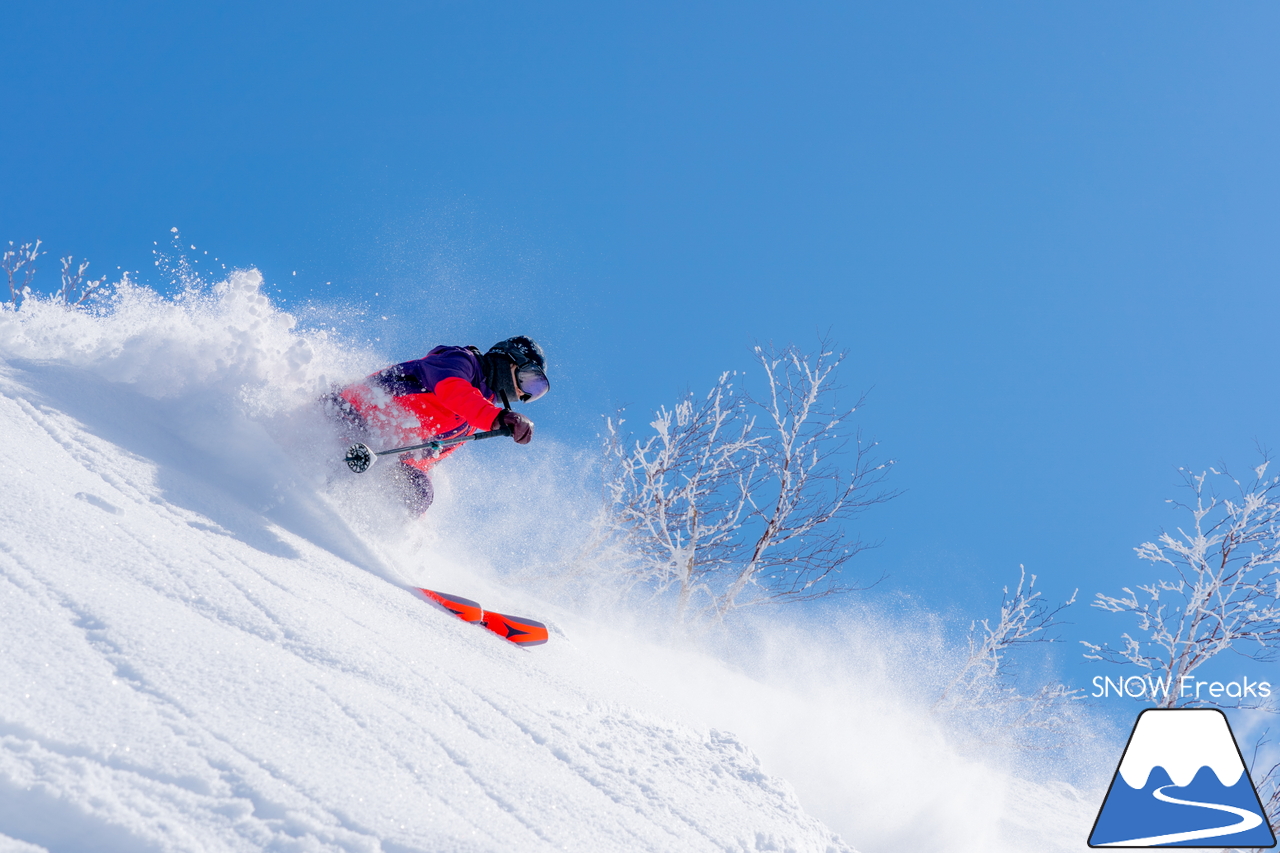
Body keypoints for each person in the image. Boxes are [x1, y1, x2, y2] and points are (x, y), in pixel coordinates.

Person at [325, 336, 549, 514]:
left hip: (373, 450)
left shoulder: (469, 423)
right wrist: (497, 418)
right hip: (347, 412)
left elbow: (423, 457)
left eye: (534, 392)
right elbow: (452, 389)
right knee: (339, 453)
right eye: (529, 380)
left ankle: (377, 546)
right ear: (509, 360)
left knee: (420, 492)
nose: (524, 393)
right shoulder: (460, 360)